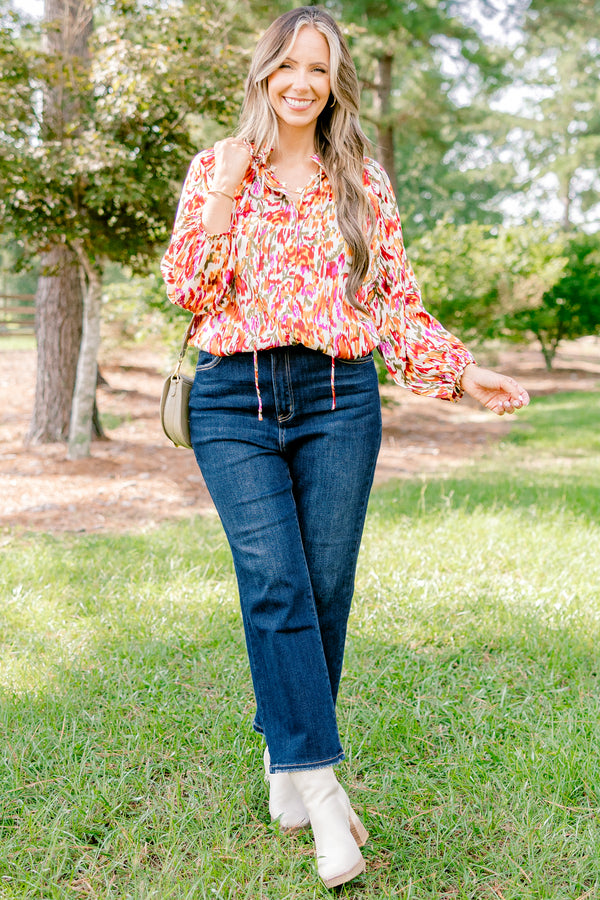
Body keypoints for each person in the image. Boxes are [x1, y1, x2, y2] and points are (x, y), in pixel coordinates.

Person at [161, 6, 529, 888]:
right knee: (275, 582)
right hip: (234, 397)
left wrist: (461, 372)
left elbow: (393, 302)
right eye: (288, 66)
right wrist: (225, 190)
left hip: (338, 398)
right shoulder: (218, 166)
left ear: (335, 84)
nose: (302, 83)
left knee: (324, 589)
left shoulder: (362, 178)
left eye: (318, 69)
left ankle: (286, 757)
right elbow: (188, 288)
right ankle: (324, 793)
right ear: (263, 74)